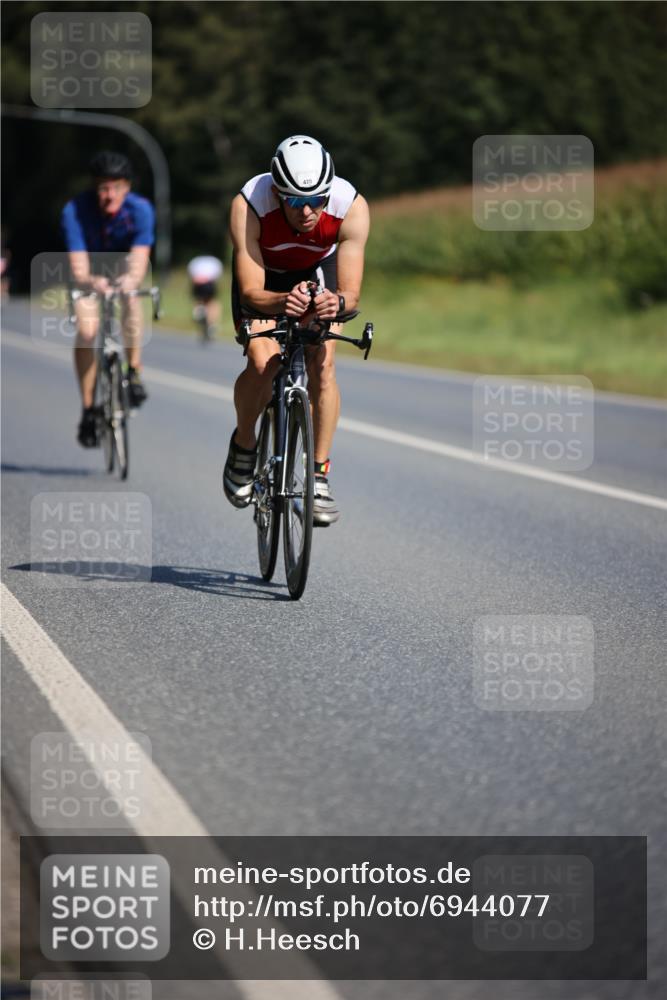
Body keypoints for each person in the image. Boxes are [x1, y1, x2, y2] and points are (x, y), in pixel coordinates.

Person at [224, 135, 369, 525]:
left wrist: (334, 303)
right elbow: (253, 291)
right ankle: (244, 444)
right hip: (265, 277)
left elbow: (350, 295)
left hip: (319, 269)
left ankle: (318, 476)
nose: (307, 211)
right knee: (262, 361)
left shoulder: (349, 205)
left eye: (316, 201)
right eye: (294, 201)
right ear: (277, 191)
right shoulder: (250, 204)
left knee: (322, 363)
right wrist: (281, 301)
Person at [61, 151, 155, 447]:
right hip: (87, 272)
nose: (109, 194)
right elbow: (78, 267)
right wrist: (92, 281)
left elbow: (139, 260)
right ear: (94, 188)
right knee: (88, 331)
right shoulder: (74, 210)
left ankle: (134, 372)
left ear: (127, 187)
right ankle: (89, 408)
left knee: (131, 295)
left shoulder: (140, 209)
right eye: (103, 187)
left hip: (121, 267)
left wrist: (130, 280)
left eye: (116, 186)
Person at [187, 255, 223, 340]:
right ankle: (212, 323)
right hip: (209, 284)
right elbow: (217, 276)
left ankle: (199, 311)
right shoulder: (214, 261)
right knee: (212, 302)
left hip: (198, 284)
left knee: (198, 300)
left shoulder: (195, 261)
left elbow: (192, 276)